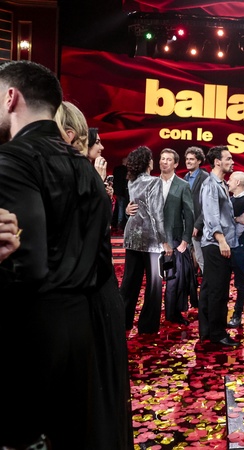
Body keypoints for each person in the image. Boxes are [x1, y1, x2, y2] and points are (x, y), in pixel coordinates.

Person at [0, 60, 120, 449]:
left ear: (11, 97)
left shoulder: (14, 159)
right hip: (87, 330)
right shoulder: (88, 172)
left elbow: (27, 266)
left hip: (30, 332)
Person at [51, 89, 133, 448]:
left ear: (68, 134)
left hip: (91, 300)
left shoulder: (81, 176)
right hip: (96, 297)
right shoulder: (81, 175)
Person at [121, 145, 169, 335]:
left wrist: (127, 211)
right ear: (147, 162)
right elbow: (157, 214)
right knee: (154, 285)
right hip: (150, 239)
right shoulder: (154, 182)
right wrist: (164, 240)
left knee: (129, 282)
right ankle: (147, 326)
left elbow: (134, 207)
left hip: (132, 235)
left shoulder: (132, 181)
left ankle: (123, 321)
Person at [199, 145, 240, 347]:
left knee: (210, 289)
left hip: (218, 243)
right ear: (217, 162)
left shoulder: (221, 184)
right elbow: (211, 215)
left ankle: (207, 330)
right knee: (218, 290)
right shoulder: (211, 184)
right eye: (228, 158)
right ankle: (217, 333)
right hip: (216, 244)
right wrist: (222, 240)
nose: (232, 162)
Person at [158, 148, 195, 325]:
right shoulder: (152, 183)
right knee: (155, 279)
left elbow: (189, 214)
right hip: (154, 238)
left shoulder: (182, 185)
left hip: (174, 239)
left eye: (168, 159)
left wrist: (185, 240)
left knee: (174, 279)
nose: (164, 162)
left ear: (175, 164)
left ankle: (172, 314)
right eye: (162, 158)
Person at [226, 170, 244, 329]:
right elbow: (230, 222)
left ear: (237, 182)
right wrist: (236, 219)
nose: (227, 182)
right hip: (227, 247)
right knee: (223, 281)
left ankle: (237, 314)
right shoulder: (230, 199)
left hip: (240, 248)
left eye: (230, 180)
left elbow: (241, 227)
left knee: (239, 283)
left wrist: (231, 221)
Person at [184, 146, 209, 274]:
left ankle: (208, 283)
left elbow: (207, 205)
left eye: (192, 159)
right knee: (188, 259)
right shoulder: (186, 177)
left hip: (199, 226)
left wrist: (198, 224)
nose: (188, 162)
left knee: (201, 258)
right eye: (187, 159)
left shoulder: (205, 177)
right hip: (186, 225)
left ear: (199, 161)